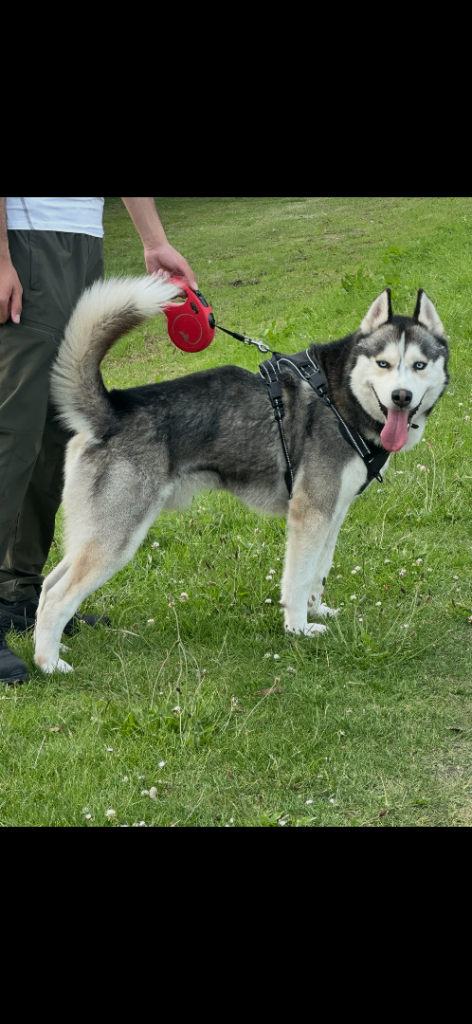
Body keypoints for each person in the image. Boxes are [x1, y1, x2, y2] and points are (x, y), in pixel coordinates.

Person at [0, 196, 197, 684]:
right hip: (25, 237)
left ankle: (17, 595)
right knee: (11, 436)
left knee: (56, 429)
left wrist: (154, 241)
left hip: (83, 240)